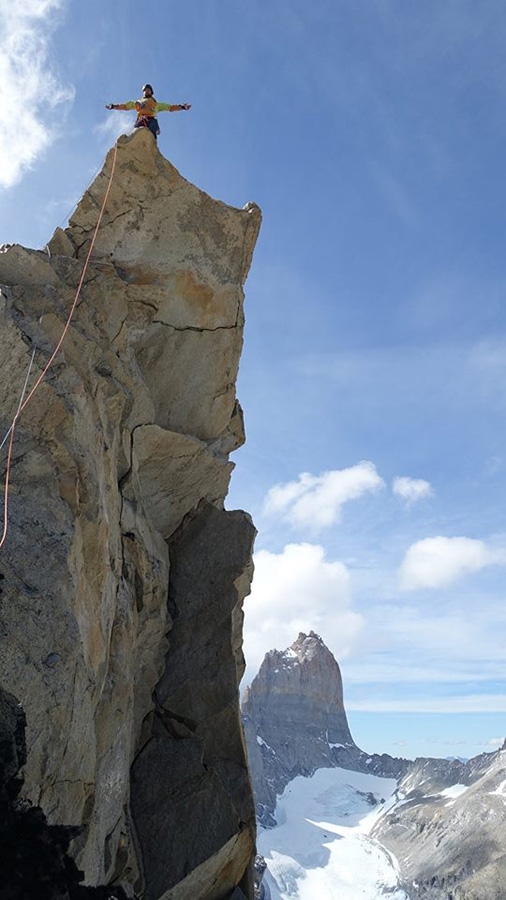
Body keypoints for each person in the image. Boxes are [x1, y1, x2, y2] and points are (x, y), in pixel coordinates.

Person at [105, 83, 191, 139]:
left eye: (148, 90)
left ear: (151, 92)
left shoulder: (156, 104)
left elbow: (170, 107)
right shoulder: (137, 103)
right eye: (145, 90)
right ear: (143, 92)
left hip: (151, 120)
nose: (147, 91)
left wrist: (182, 107)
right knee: (135, 133)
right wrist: (113, 106)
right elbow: (125, 106)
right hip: (141, 120)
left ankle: (153, 139)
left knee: (152, 133)